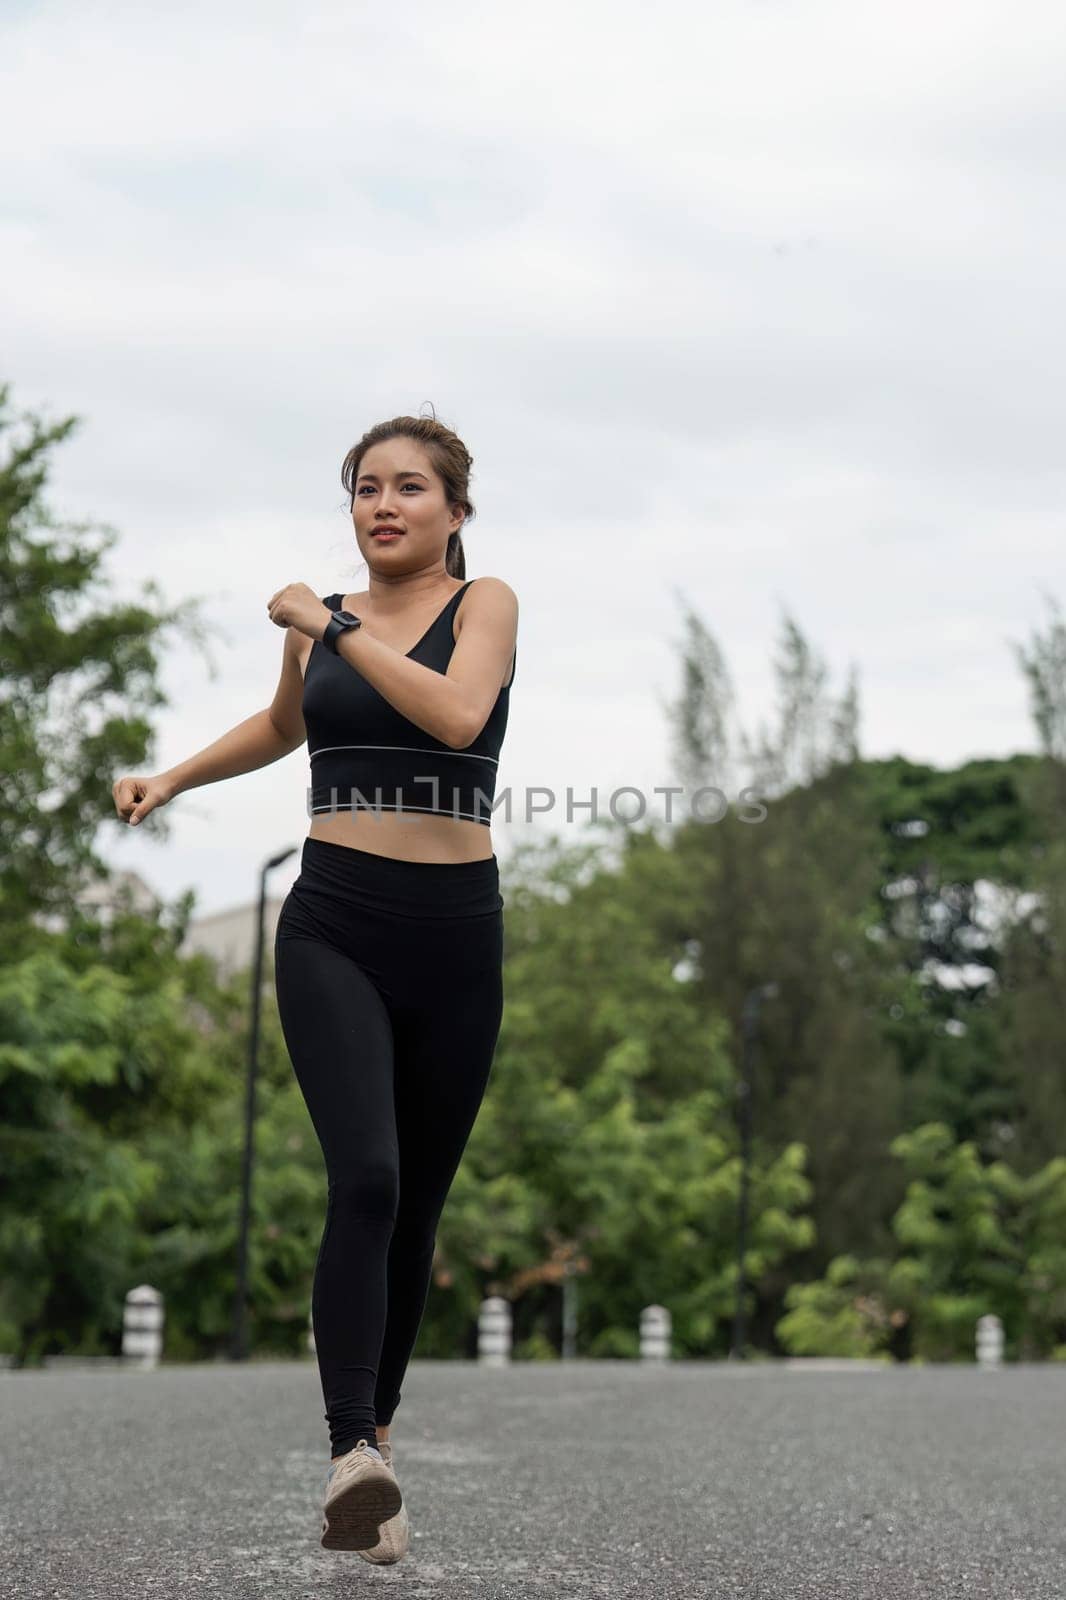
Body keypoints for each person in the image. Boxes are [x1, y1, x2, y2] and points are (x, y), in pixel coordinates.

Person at [112, 413, 518, 1563]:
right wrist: (176, 774)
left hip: (456, 934)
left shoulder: (482, 605)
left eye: (407, 488)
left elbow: (454, 714)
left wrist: (327, 621)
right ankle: (351, 1451)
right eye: (364, 489)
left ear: (453, 510)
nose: (382, 505)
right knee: (371, 1178)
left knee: (421, 1206)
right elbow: (286, 727)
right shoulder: (321, 629)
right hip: (334, 919)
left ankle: (376, 1457)